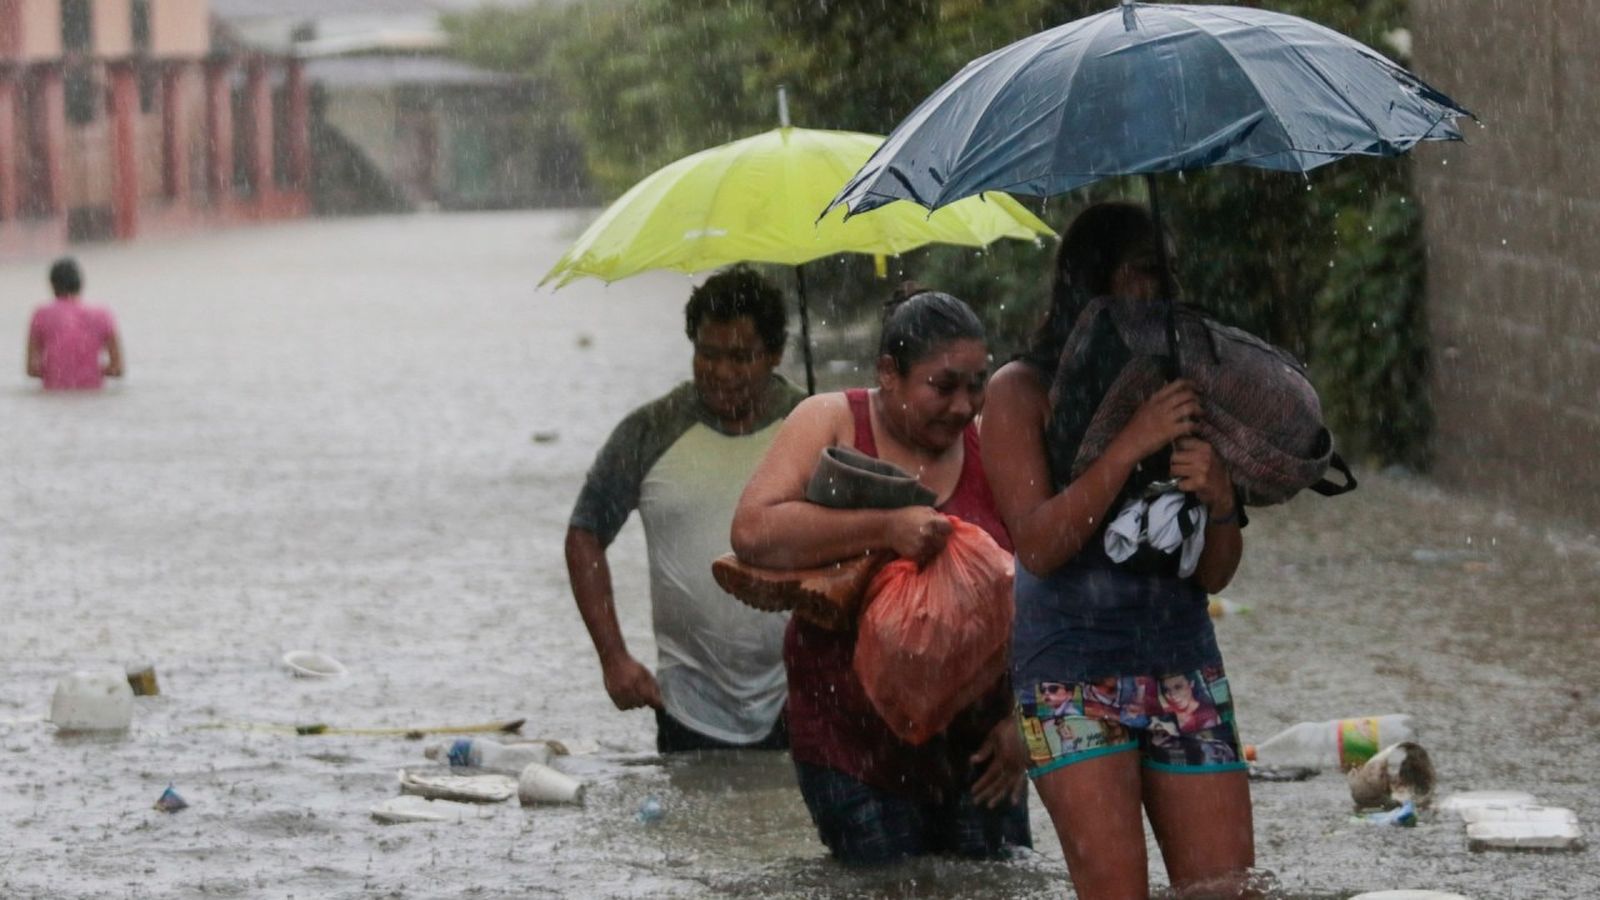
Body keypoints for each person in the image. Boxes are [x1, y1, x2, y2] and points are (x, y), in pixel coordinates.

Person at [980, 202, 1254, 899]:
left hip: (1182, 665)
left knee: (1226, 890)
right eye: (1143, 273)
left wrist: (1221, 499)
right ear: (1092, 283)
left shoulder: (1189, 388)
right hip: (1070, 678)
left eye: (1170, 273)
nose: (1162, 290)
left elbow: (1213, 573)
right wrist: (1130, 441)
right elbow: (1039, 546)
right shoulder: (1020, 392)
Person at [731, 288, 1030, 866]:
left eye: (976, 385)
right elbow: (753, 529)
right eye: (943, 387)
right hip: (848, 740)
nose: (964, 406)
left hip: (979, 746)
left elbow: (1041, 582)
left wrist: (1025, 723)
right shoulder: (830, 420)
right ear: (888, 373)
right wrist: (886, 527)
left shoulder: (994, 441)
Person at [566, 267, 806, 753]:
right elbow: (585, 535)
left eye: (741, 357)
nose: (722, 373)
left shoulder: (813, 426)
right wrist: (614, 658)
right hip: (687, 705)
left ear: (776, 354)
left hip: (802, 696)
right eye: (708, 354)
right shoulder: (650, 431)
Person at [26, 258, 123, 390]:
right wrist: (88, 371)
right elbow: (117, 368)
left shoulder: (41, 315)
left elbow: (32, 369)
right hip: (93, 394)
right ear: (81, 284)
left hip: (54, 393)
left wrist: (59, 370)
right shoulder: (102, 315)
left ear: (52, 285)